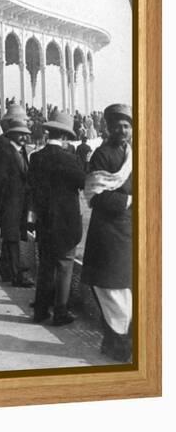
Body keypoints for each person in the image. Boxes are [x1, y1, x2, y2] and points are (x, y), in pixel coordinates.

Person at [82, 103, 133, 362]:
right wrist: (129, 200)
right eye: (117, 125)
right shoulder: (101, 155)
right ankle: (117, 345)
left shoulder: (135, 154)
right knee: (110, 288)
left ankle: (117, 342)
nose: (122, 130)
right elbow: (95, 195)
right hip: (107, 232)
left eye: (126, 125)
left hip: (129, 231)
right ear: (108, 128)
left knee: (125, 286)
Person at [28, 111, 86, 326]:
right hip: (67, 222)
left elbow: (31, 187)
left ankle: (41, 310)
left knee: (45, 265)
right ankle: (60, 311)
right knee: (64, 266)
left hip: (44, 221)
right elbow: (83, 183)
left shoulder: (36, 158)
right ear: (64, 136)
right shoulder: (71, 159)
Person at [0, 105, 34, 287]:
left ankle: (4, 268)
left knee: (11, 236)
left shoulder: (18, 149)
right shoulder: (4, 149)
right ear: (11, 133)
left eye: (26, 133)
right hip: (8, 201)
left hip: (18, 201)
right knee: (12, 237)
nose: (24, 137)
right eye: (20, 133)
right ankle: (16, 275)